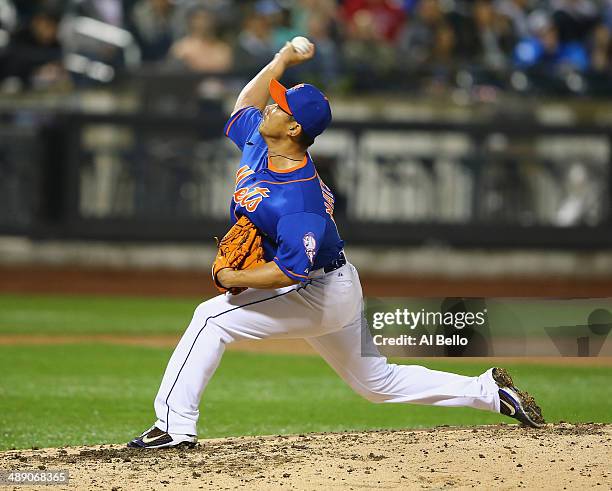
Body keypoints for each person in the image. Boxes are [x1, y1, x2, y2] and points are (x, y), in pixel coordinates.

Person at [127, 40, 545, 449]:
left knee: (210, 319)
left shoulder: (298, 199)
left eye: (280, 106)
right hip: (331, 281)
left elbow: (289, 271)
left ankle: (174, 427)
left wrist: (231, 274)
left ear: (294, 129)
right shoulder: (260, 142)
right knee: (375, 383)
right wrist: (280, 61)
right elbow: (243, 104)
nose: (269, 106)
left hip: (317, 289)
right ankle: (490, 391)